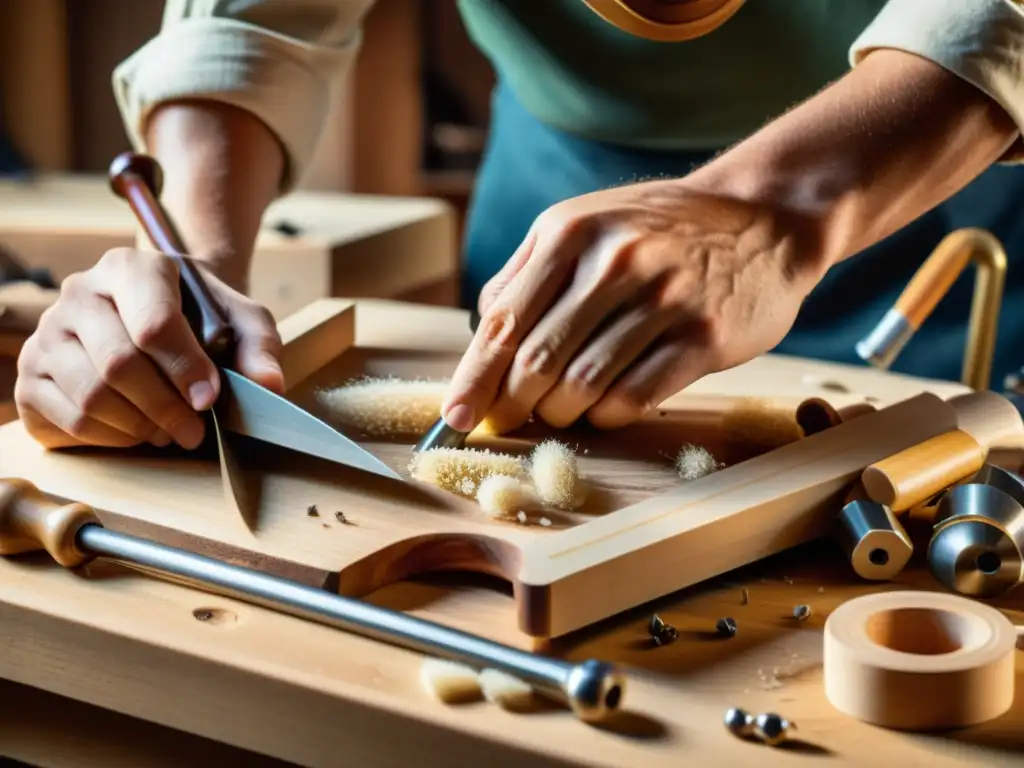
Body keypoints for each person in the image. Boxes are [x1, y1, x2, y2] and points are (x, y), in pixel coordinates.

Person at [13, 0, 1024, 452]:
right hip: (553, 194)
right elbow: (252, 19)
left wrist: (778, 209)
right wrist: (185, 269)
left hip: (938, 180)